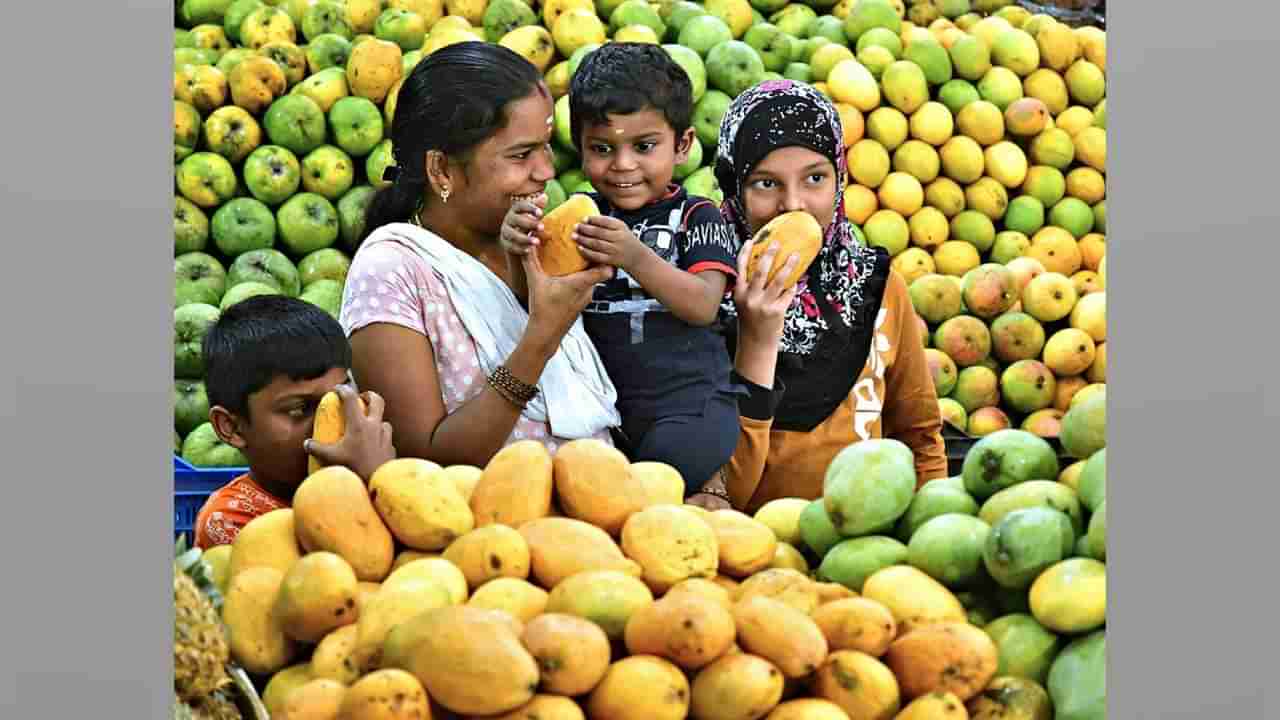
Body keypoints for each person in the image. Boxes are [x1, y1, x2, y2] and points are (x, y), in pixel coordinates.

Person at [340, 42, 620, 469]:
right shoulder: (391, 270)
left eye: (545, 147)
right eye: (521, 155)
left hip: (597, 520)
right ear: (442, 171)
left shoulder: (531, 239)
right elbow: (423, 464)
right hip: (484, 531)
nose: (546, 171)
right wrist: (541, 337)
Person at [501, 43, 744, 502]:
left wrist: (636, 257)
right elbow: (536, 301)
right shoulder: (578, 218)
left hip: (690, 407)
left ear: (684, 144)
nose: (623, 165)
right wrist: (517, 247)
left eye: (645, 146)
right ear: (580, 148)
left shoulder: (699, 216)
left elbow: (703, 303)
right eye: (602, 149)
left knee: (657, 473)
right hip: (608, 411)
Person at [708, 80, 948, 514]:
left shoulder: (876, 287)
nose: (793, 204)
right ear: (732, 187)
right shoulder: (702, 297)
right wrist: (757, 337)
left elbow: (919, 437)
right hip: (750, 554)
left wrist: (936, 524)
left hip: (863, 548)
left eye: (815, 178)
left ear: (840, 179)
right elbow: (722, 492)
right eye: (765, 184)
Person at [193, 295, 396, 549]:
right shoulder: (228, 522)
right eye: (300, 408)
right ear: (231, 427)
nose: (328, 418)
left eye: (339, 397)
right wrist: (369, 480)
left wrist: (387, 480)